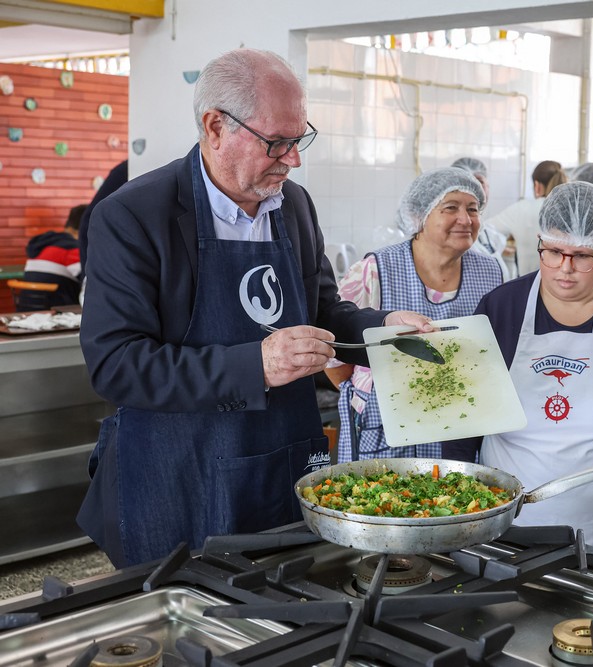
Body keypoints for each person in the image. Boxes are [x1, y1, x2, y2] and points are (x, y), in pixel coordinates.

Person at [77, 48, 433, 568]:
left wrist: (382, 327)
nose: (294, 159)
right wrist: (256, 365)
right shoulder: (133, 217)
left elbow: (323, 312)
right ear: (216, 126)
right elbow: (117, 365)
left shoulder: (295, 207)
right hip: (179, 470)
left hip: (280, 456)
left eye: (299, 138)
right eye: (277, 142)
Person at [443, 181, 593, 561]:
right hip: (510, 508)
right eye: (554, 252)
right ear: (539, 243)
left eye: (582, 256)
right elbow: (466, 404)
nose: (565, 269)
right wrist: (458, 484)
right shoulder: (501, 307)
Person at [335, 166, 503, 462]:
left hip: (461, 430)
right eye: (450, 208)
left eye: (473, 209)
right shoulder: (376, 270)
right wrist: (371, 395)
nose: (465, 219)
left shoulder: (491, 272)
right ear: (420, 216)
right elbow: (333, 351)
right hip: (385, 430)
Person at [488, 160, 568, 276]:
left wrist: (499, 247)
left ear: (537, 186)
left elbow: (486, 231)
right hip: (566, 282)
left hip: (531, 283)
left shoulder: (522, 208)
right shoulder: (572, 209)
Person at [450, 157, 515, 280]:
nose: (475, 188)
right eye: (468, 182)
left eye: (480, 182)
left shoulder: (487, 232)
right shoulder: (454, 232)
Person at [21, 203, 85, 308]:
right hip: (56, 312)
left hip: (25, 308)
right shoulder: (71, 249)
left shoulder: (45, 244)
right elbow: (89, 280)